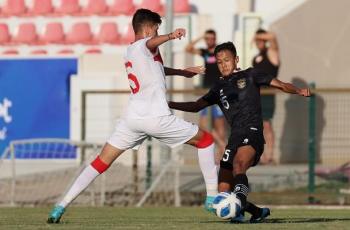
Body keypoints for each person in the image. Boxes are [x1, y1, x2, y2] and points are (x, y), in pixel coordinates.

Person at [47, 9, 218, 223]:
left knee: (101, 161)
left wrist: (182, 72)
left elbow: (156, 68)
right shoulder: (143, 45)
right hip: (155, 118)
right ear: (147, 30)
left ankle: (60, 206)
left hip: (132, 120)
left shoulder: (130, 51)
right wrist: (171, 36)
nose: (157, 32)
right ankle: (212, 197)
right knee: (206, 141)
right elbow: (150, 44)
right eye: (156, 29)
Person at [169, 42, 310, 223]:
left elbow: (281, 85)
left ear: (235, 60)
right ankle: (257, 212)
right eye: (219, 62)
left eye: (227, 60)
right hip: (234, 137)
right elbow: (196, 106)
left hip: (252, 132)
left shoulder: (251, 75)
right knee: (223, 190)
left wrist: (298, 90)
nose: (223, 64)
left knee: (239, 166)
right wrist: (168, 104)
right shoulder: (218, 87)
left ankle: (237, 213)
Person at [185, 29, 226, 161]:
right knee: (203, 124)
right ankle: (222, 145)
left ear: (215, 39)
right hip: (207, 92)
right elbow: (188, 48)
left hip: (219, 92)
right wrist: (201, 36)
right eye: (207, 39)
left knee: (219, 124)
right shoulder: (205, 52)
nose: (209, 41)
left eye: (211, 38)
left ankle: (222, 153)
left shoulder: (220, 51)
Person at [252, 29, 280, 164]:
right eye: (257, 40)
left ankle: (270, 155)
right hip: (257, 95)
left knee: (267, 124)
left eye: (261, 40)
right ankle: (261, 155)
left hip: (268, 94)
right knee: (259, 126)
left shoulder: (271, 53)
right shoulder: (256, 58)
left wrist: (257, 35)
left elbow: (273, 36)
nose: (258, 42)